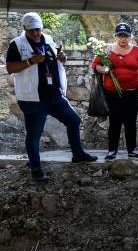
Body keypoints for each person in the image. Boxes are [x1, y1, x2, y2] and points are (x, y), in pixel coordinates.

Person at [6, 12, 97, 181]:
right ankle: (36, 169)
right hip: (33, 98)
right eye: (31, 30)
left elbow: (55, 58)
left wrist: (62, 58)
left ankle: (77, 154)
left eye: (38, 29)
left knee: (74, 120)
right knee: (34, 135)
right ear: (24, 28)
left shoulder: (48, 39)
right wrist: (30, 61)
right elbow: (10, 68)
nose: (35, 33)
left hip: (54, 95)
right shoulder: (16, 44)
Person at [92, 23, 138, 161]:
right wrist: (102, 69)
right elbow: (95, 64)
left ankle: (132, 150)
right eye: (120, 35)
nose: (123, 39)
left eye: (126, 36)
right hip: (112, 92)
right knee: (115, 121)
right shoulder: (106, 50)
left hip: (132, 92)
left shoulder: (137, 51)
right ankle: (112, 150)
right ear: (115, 36)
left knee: (130, 121)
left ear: (130, 36)